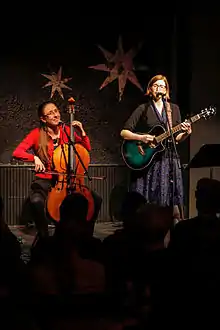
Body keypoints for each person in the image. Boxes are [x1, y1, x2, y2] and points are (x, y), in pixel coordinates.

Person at [12, 100, 91, 240]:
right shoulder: (36, 134)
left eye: (56, 111)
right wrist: (34, 158)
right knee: (36, 201)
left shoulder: (67, 131)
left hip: (68, 180)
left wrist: (82, 133)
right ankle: (44, 236)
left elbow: (85, 151)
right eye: (50, 113)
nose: (55, 115)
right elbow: (17, 152)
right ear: (43, 119)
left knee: (95, 200)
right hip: (45, 180)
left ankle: (85, 236)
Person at [120, 74, 192, 220]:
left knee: (170, 206)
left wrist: (186, 133)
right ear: (150, 89)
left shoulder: (173, 109)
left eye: (162, 86)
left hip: (168, 161)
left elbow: (175, 139)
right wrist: (142, 137)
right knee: (147, 206)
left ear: (166, 90)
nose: (159, 88)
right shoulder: (143, 108)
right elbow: (124, 132)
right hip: (148, 162)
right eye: (156, 85)